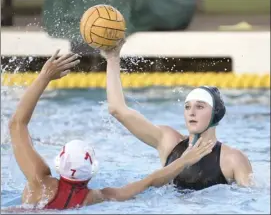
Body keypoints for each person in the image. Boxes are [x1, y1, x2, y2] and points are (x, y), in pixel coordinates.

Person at [8, 50, 215, 211]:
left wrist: (44, 76)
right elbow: (151, 180)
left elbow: (17, 124)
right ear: (91, 172)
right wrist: (185, 160)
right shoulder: (97, 197)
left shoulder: (39, 183)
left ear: (58, 163)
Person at [101, 41, 253, 191]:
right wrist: (112, 59)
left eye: (200, 106)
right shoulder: (169, 141)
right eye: (187, 107)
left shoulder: (233, 159)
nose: (192, 112)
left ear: (216, 114)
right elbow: (117, 110)